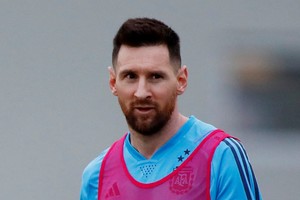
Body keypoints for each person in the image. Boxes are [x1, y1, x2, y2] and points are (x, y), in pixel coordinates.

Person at [80, 17, 262, 200]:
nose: (142, 93)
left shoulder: (220, 156)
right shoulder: (97, 175)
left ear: (181, 81)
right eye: (130, 76)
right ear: (113, 82)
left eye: (155, 76)